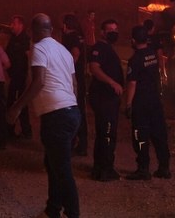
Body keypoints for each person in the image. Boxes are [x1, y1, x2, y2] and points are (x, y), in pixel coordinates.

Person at [7, 13, 80, 218]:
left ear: (33, 32)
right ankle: (53, 208)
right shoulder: (64, 51)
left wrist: (17, 107)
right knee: (53, 162)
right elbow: (74, 84)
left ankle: (73, 213)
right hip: (71, 111)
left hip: (56, 115)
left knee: (62, 168)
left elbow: (38, 81)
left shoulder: (38, 48)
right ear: (51, 30)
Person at [125, 21, 171, 180]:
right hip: (155, 100)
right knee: (159, 134)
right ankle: (164, 168)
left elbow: (132, 83)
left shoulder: (135, 60)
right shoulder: (152, 53)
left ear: (133, 40)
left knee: (140, 135)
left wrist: (128, 103)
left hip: (141, 103)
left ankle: (143, 169)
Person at [87, 18, 124, 181]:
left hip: (109, 98)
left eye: (116, 29)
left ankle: (100, 167)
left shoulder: (108, 48)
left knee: (105, 133)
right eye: (110, 30)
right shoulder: (100, 48)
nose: (114, 32)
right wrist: (112, 82)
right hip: (104, 98)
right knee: (107, 133)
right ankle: (105, 170)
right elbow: (94, 68)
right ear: (102, 32)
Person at [61, 13, 88, 156]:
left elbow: (75, 55)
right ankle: (82, 143)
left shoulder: (71, 38)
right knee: (80, 110)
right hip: (80, 78)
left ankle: (73, 142)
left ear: (66, 25)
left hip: (73, 79)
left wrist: (65, 70)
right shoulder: (79, 36)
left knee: (72, 110)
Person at [5, 15, 33, 139]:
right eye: (11, 23)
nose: (11, 26)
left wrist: (29, 76)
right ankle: (11, 129)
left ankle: (25, 130)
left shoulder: (26, 40)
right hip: (14, 76)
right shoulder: (13, 39)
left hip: (22, 76)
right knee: (11, 102)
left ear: (21, 25)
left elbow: (30, 58)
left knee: (20, 103)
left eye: (14, 23)